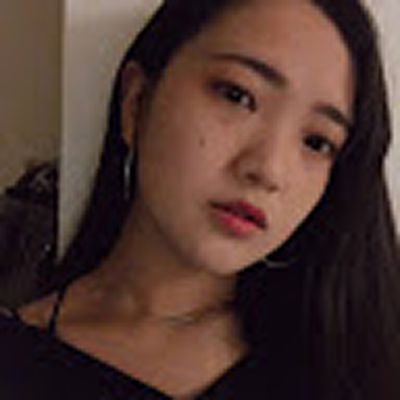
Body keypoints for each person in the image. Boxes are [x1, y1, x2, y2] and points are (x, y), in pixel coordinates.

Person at [0, 0, 399, 399]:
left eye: (317, 142)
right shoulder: (16, 355)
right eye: (237, 96)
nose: (269, 170)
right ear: (137, 102)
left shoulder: (350, 371)